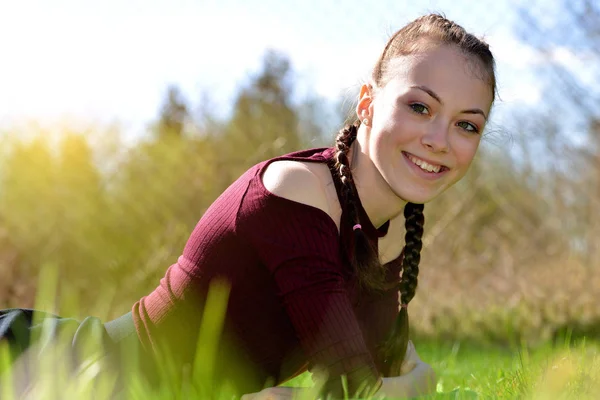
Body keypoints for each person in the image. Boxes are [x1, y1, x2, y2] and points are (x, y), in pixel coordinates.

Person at [0, 13, 496, 400]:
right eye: (420, 107)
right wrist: (420, 382)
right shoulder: (296, 194)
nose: (438, 139)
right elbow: (355, 391)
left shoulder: (394, 232)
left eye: (466, 125)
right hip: (56, 376)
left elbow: (364, 377)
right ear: (366, 103)